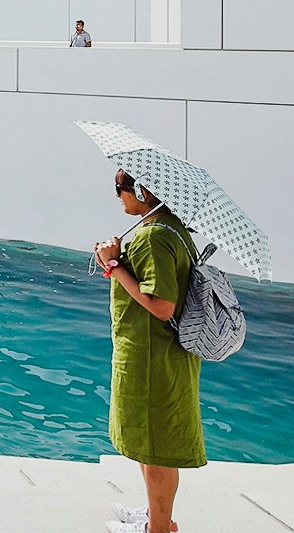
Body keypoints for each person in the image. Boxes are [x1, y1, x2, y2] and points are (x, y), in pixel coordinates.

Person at [94, 170, 203, 533]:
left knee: (156, 447)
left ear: (140, 190)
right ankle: (158, 516)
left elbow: (162, 306)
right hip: (159, 353)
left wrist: (113, 266)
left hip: (151, 356)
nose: (117, 197)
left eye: (119, 190)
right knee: (149, 442)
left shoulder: (154, 236)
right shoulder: (171, 227)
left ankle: (157, 529)